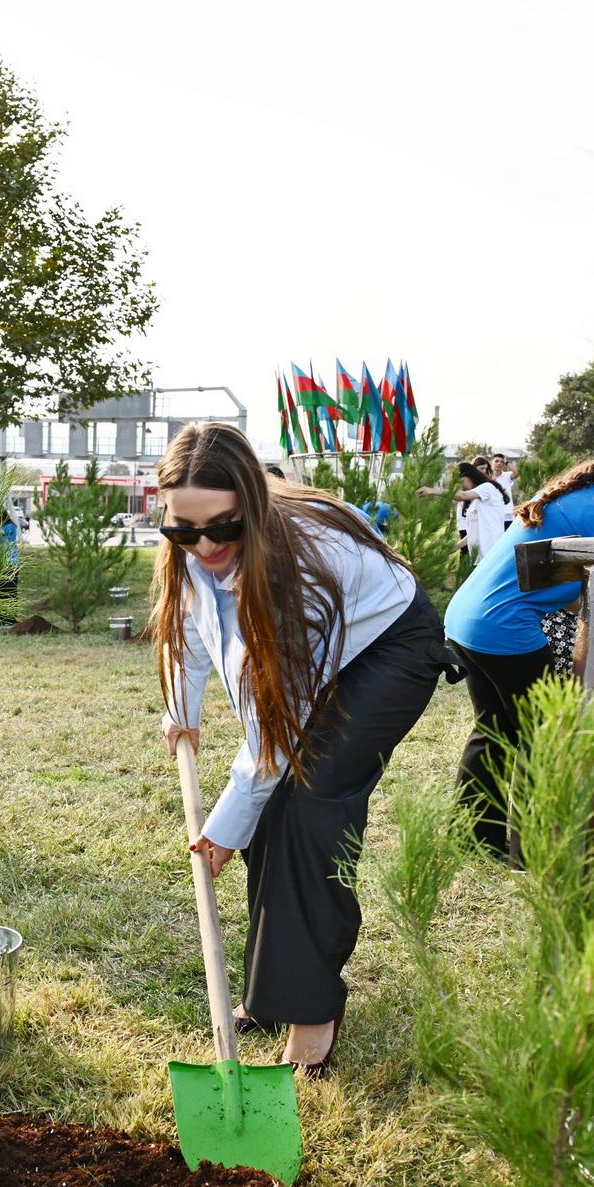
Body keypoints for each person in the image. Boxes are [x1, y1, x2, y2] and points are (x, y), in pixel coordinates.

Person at [153, 423, 448, 1077]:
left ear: (251, 508)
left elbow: (273, 733)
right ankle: (272, 988)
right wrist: (183, 712)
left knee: (309, 806)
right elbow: (188, 625)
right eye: (183, 528)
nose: (203, 545)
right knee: (272, 812)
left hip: (389, 648)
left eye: (221, 528)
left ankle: (313, 1012)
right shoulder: (197, 547)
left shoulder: (298, 566)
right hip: (320, 660)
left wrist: (223, 828)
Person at [440, 428, 594, 864]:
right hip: (504, 628)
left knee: (495, 730)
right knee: (541, 737)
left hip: (467, 618)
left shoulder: (588, 496)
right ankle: (533, 852)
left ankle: (473, 838)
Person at [418, 462, 509, 560]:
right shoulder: (475, 503)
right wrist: (452, 549)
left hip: (491, 554)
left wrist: (433, 491)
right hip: (477, 557)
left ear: (470, 476)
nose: (462, 486)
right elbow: (472, 533)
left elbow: (462, 495)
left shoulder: (488, 488)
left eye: (461, 482)